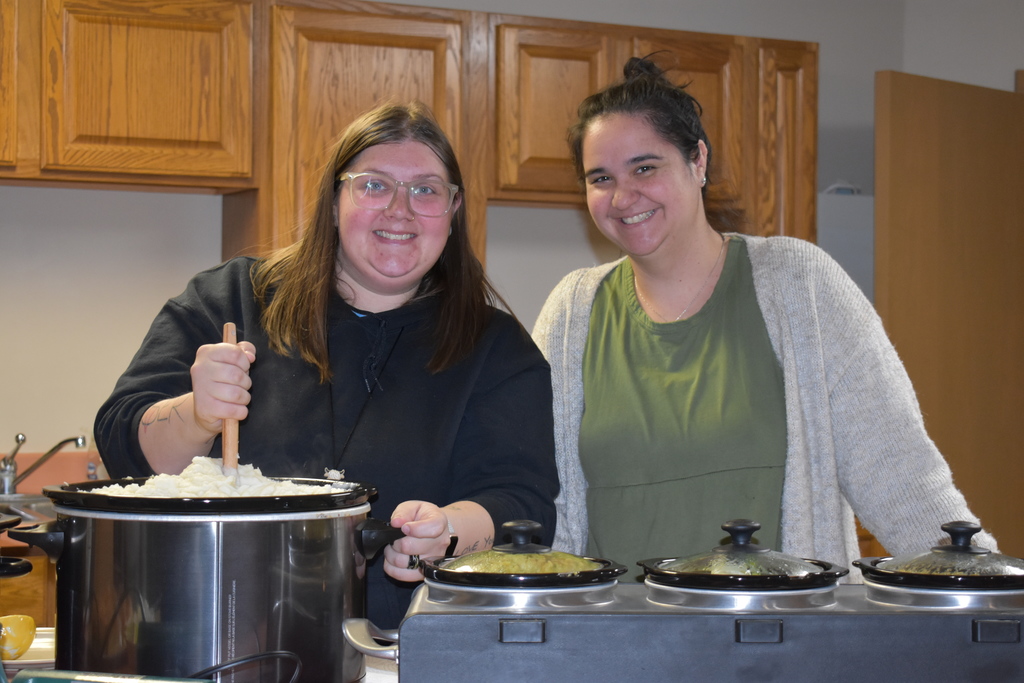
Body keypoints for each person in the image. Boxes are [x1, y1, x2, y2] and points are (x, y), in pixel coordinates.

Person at [95, 101, 559, 627]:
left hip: (404, 650)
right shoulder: (232, 300)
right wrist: (196, 415)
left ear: (453, 212)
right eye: (374, 184)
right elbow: (123, 450)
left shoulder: (495, 348)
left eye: (426, 190)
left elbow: (523, 506)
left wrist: (446, 531)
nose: (400, 210)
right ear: (335, 198)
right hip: (214, 631)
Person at [532, 56, 995, 578]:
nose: (622, 196)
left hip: (776, 641)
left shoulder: (798, 284)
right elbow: (528, 484)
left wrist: (988, 598)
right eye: (600, 177)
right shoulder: (572, 312)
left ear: (698, 161)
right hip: (614, 645)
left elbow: (900, 472)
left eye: (645, 167)